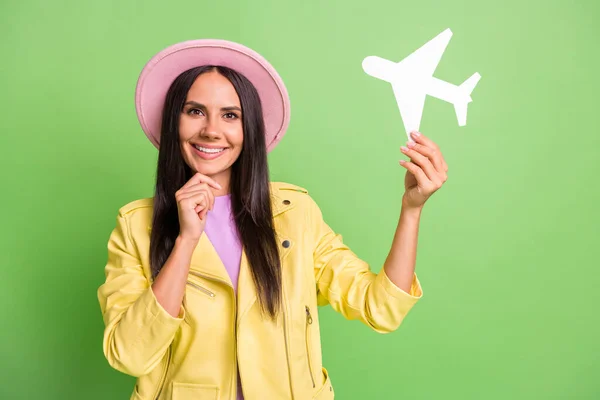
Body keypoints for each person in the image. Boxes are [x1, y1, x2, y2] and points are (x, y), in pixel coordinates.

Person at [97, 39, 448, 400]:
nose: (212, 130)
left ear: (250, 127)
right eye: (195, 111)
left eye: (230, 115)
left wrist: (411, 209)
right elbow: (129, 354)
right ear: (175, 121)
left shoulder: (294, 213)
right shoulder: (138, 226)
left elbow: (381, 308)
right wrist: (185, 240)